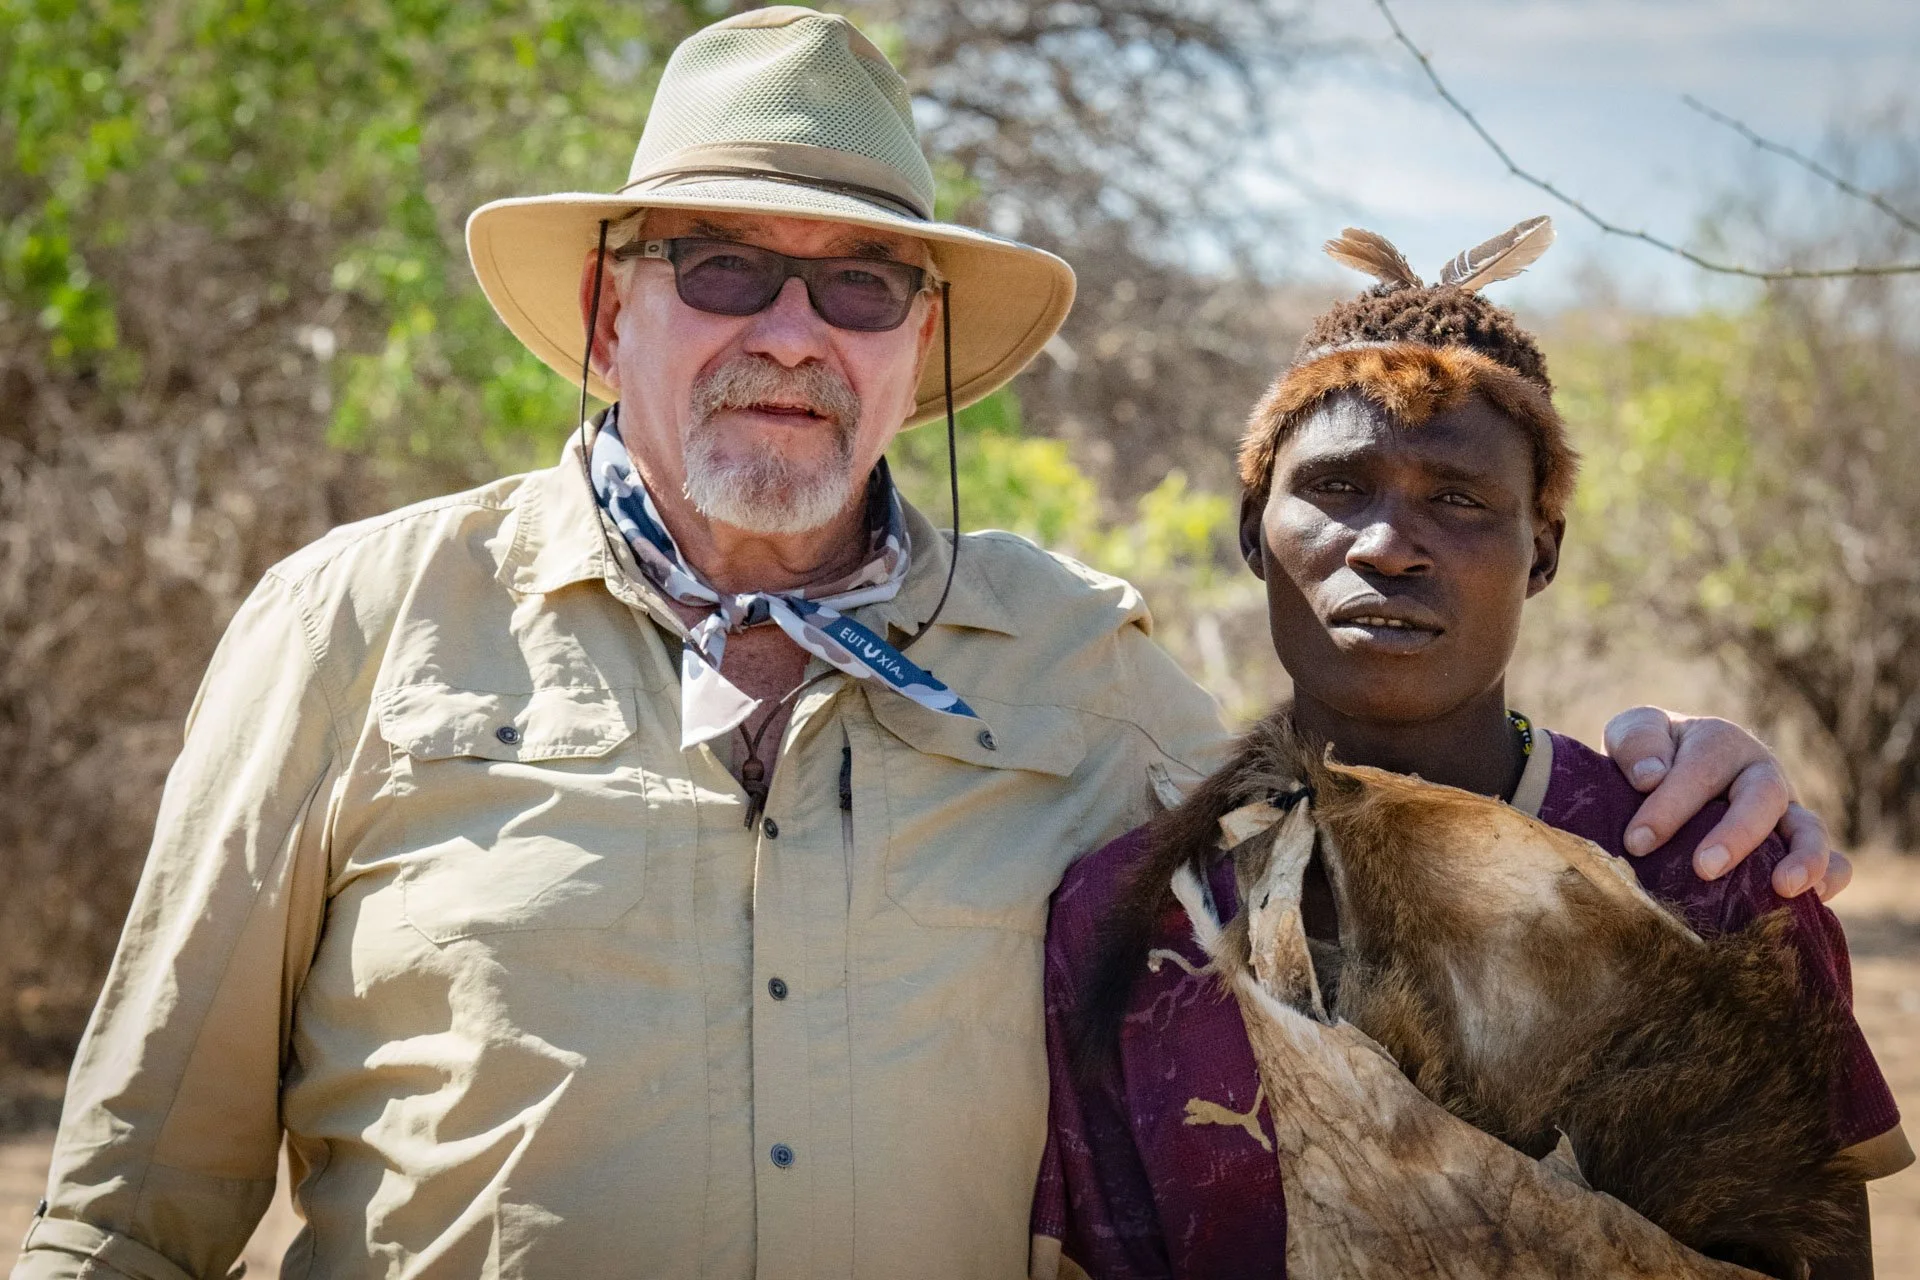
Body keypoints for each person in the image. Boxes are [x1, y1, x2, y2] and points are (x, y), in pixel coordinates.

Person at [14, 12, 1841, 1280]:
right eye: (722, 266)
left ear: (915, 347)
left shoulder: (1073, 664)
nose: (790, 331)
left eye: (858, 284)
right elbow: (130, 1206)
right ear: (608, 311)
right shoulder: (361, 622)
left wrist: (1679, 782)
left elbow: (1364, 856)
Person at [1030, 223, 1912, 1280]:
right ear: (1253, 530)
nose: (1389, 542)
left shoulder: (1707, 872)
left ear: (1540, 551)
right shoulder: (1132, 913)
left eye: (1457, 497)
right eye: (1338, 488)